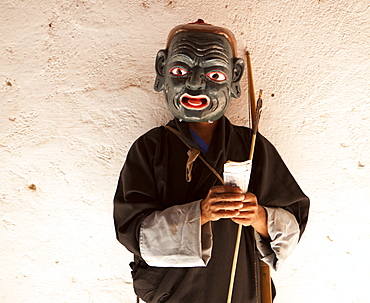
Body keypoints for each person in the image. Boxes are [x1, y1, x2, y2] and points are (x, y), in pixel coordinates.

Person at [114, 20, 309, 303]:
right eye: (180, 71)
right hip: (175, 292)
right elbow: (133, 231)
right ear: (161, 71)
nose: (194, 84)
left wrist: (257, 216)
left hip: (241, 289)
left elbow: (291, 226)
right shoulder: (150, 148)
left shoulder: (253, 147)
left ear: (235, 77)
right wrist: (202, 213)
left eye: (215, 74)